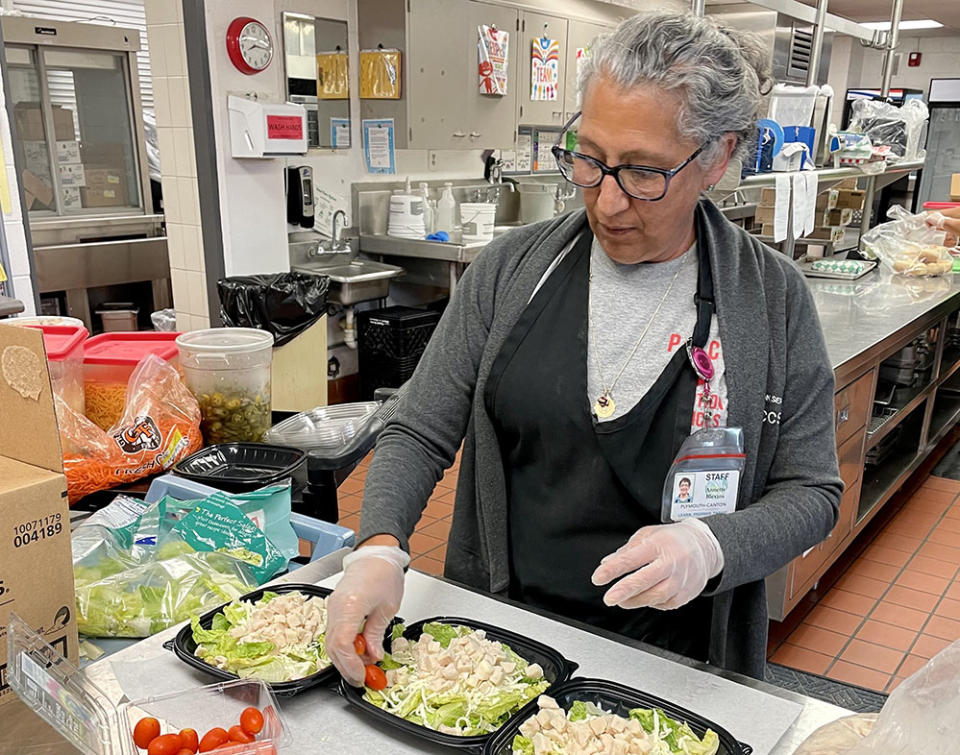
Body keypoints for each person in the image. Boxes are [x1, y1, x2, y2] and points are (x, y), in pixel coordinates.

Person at [326, 11, 842, 684]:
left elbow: (812, 490)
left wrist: (711, 544)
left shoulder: (771, 300)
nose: (608, 201)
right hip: (501, 647)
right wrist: (379, 548)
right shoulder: (512, 270)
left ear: (717, 156)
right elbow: (420, 427)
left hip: (674, 667)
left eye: (643, 172)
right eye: (590, 158)